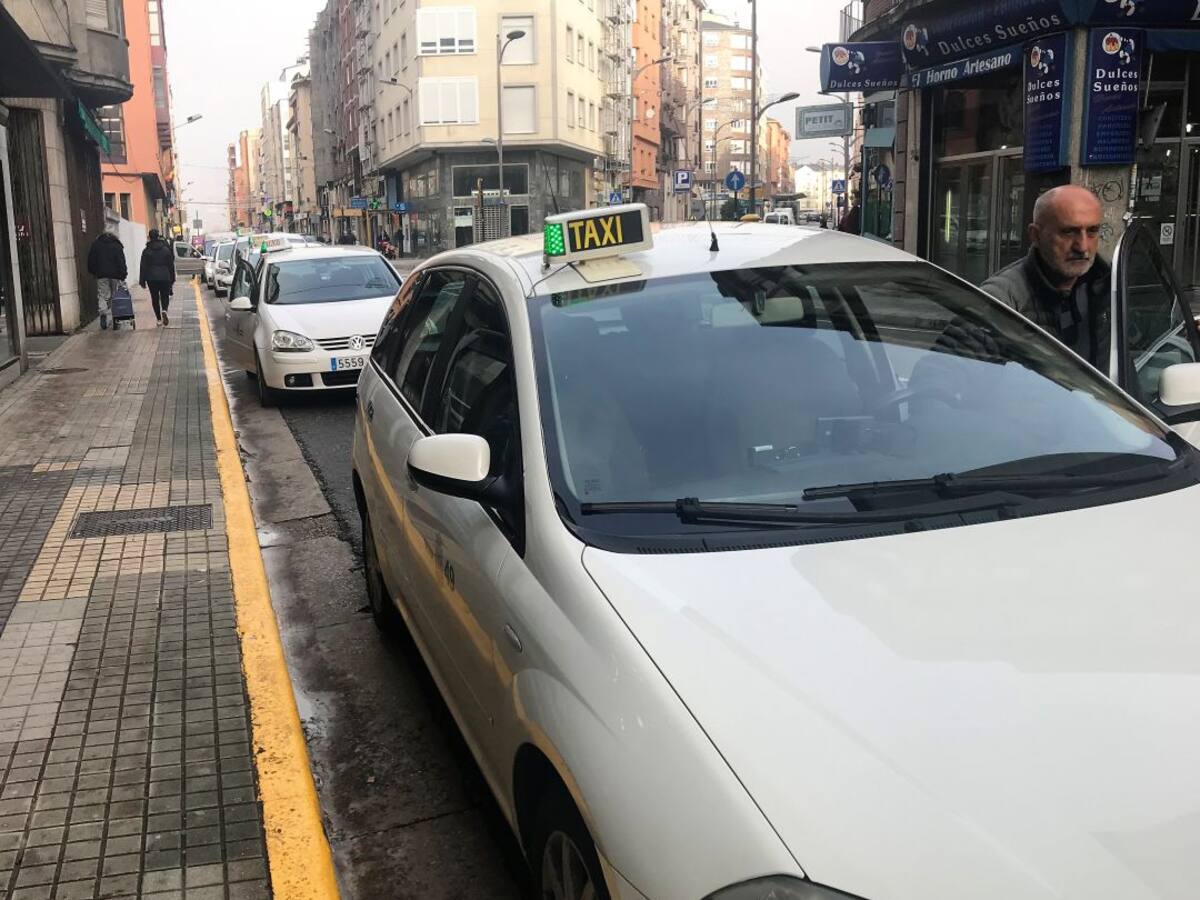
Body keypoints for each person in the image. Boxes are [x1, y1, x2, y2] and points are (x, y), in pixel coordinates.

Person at [981, 185, 1110, 367]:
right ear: (1036, 235)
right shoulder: (1001, 300)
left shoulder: (1108, 286)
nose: (1082, 246)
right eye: (1068, 232)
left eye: (1092, 231)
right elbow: (949, 372)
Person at [87, 227, 127, 330]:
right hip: (115, 275)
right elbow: (121, 261)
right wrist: (123, 274)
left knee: (102, 295)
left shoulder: (96, 244)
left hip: (101, 275)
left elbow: (91, 260)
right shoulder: (117, 245)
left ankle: (103, 313)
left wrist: (94, 272)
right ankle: (115, 317)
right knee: (114, 295)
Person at [138, 229, 176, 327]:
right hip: (165, 276)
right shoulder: (165, 250)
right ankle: (164, 310)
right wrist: (172, 278)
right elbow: (171, 265)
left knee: (154, 298)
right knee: (165, 296)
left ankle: (159, 319)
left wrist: (142, 280)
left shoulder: (146, 251)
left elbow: (143, 266)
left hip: (151, 278)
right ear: (158, 236)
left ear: (150, 237)